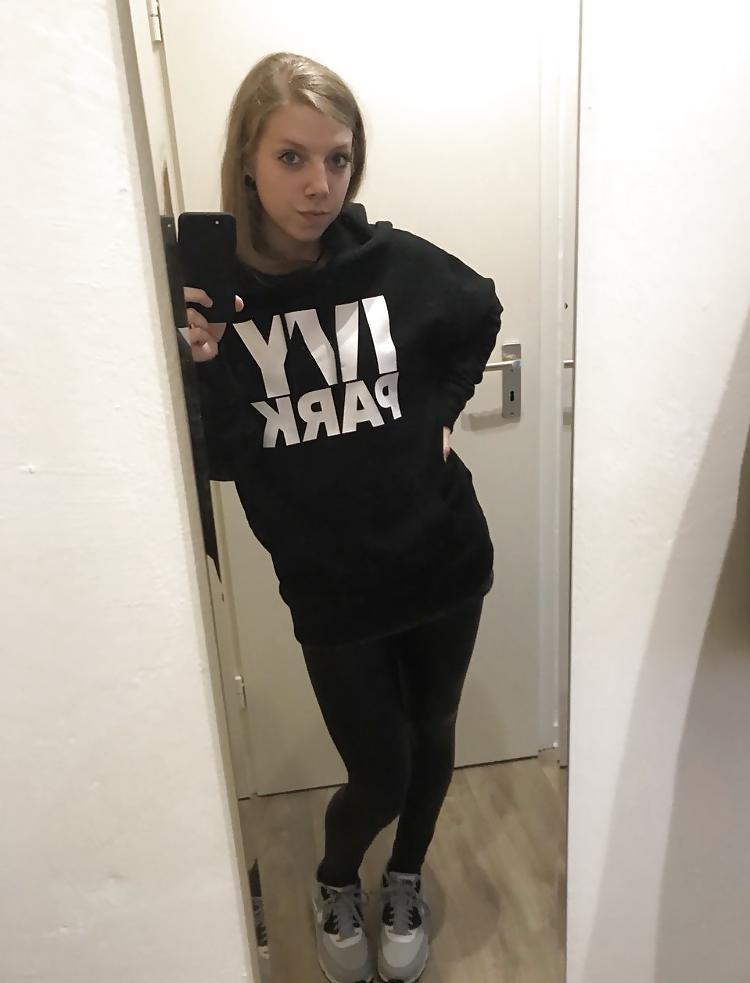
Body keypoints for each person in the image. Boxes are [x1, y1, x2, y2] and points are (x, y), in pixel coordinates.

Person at [184, 51, 503, 983]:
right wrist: (201, 364)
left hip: (444, 554)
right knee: (379, 769)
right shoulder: (216, 303)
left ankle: (404, 876)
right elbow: (219, 459)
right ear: (247, 160)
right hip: (330, 585)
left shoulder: (389, 263)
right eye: (292, 158)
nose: (320, 186)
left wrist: (442, 411)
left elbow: (479, 309)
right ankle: (336, 876)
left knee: (433, 733)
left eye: (339, 159)